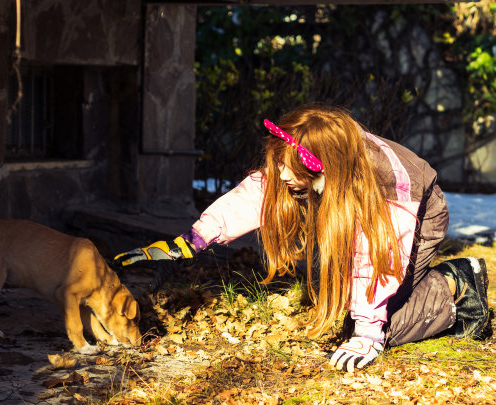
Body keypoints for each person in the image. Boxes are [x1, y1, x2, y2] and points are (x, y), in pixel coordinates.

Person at [115, 104, 492, 372]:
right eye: (278, 163)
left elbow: (376, 257)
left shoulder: (387, 185)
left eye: (287, 167)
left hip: (420, 216)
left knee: (377, 326)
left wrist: (367, 330)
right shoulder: (315, 153)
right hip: (364, 210)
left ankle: (457, 285)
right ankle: (419, 293)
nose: (280, 174)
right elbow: (257, 193)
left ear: (324, 165)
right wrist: (195, 238)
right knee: (362, 314)